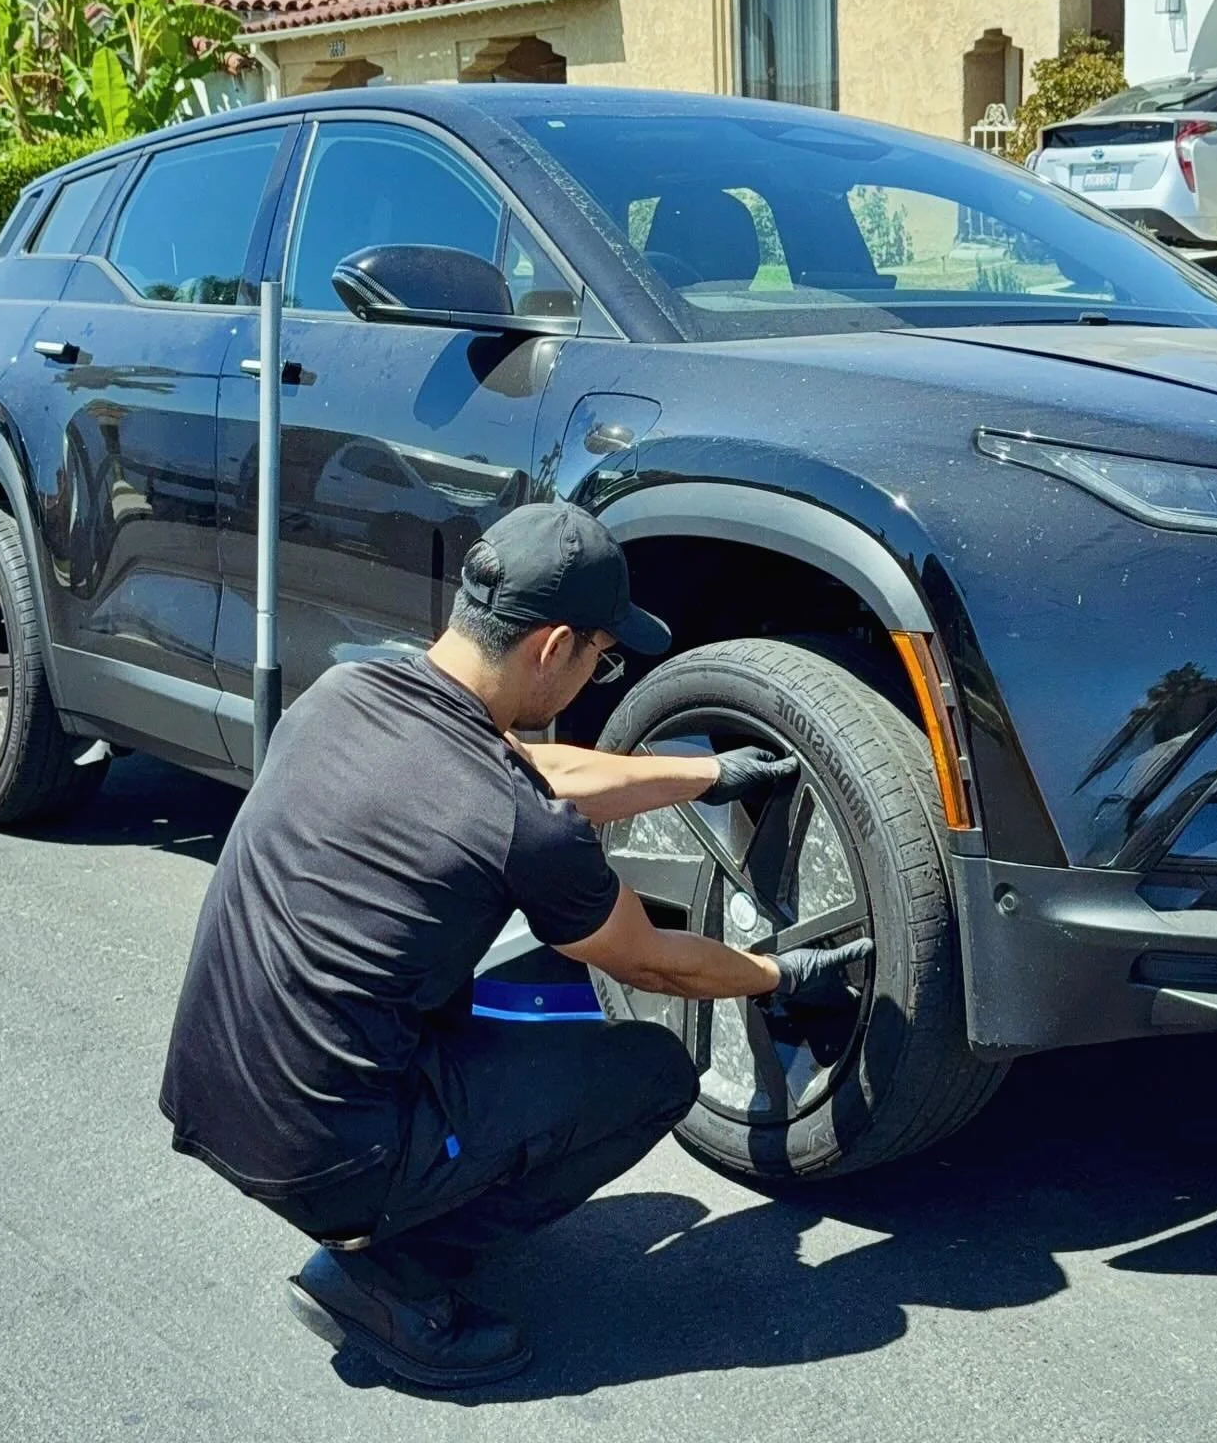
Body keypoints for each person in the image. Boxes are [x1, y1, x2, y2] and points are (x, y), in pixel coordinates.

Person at [159, 502, 872, 1393]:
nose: (599, 676)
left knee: (455, 1008)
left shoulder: (350, 692)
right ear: (552, 646)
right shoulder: (514, 824)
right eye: (601, 658)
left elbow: (545, 777)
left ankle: (389, 1199)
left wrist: (709, 773)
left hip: (216, 1095)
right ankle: (385, 1281)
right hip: (325, 1152)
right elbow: (651, 961)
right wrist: (776, 971)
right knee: (650, 1073)